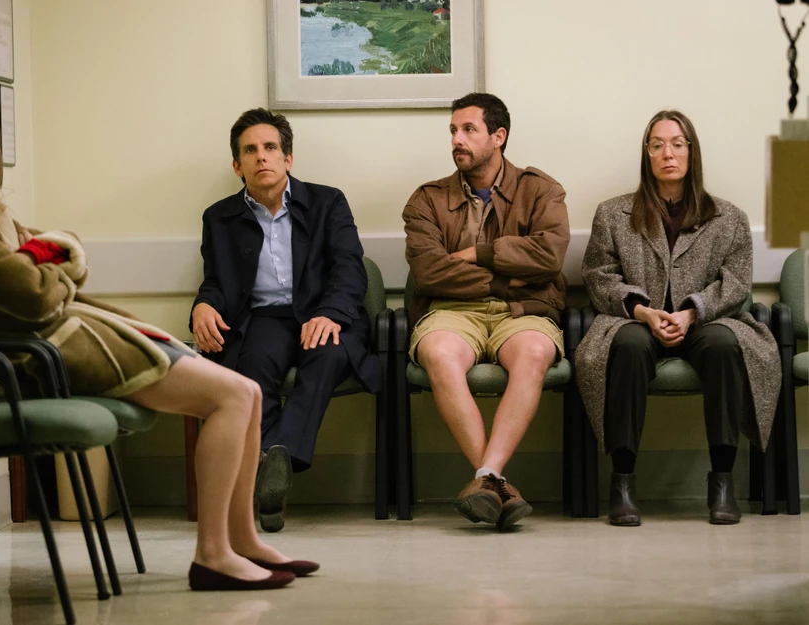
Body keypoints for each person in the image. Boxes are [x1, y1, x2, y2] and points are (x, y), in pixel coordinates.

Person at [0, 101, 318, 591]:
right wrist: (52, 269)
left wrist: (44, 265)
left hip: (67, 337)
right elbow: (33, 294)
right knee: (233, 396)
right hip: (50, 353)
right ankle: (213, 555)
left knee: (248, 394)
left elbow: (53, 252)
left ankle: (244, 540)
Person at [575, 110, 781, 526]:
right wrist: (642, 311)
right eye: (657, 145)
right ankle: (622, 483)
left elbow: (736, 283)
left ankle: (722, 483)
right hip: (637, 321)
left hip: (704, 323)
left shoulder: (729, 218)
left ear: (691, 152)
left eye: (677, 144)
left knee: (725, 345)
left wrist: (690, 313)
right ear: (647, 154)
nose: (667, 153)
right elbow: (599, 276)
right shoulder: (612, 214)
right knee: (628, 345)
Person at [190, 108, 380, 532]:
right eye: (250, 150)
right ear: (237, 165)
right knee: (253, 370)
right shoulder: (219, 218)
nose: (262, 157)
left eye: (270, 147)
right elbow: (216, 282)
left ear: (288, 158)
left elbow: (349, 267)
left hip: (323, 314)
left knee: (326, 356)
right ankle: (276, 465)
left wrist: (330, 313)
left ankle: (272, 460)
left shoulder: (328, 202)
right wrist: (202, 306)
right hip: (265, 318)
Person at [402, 93, 570, 529]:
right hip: (453, 310)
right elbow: (429, 272)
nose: (456, 140)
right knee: (438, 353)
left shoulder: (541, 190)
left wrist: (479, 254)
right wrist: (503, 277)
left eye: (468, 130)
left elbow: (549, 258)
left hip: (523, 309)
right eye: (453, 131)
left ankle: (485, 479)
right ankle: (495, 482)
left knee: (534, 352)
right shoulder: (426, 200)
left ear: (499, 136)